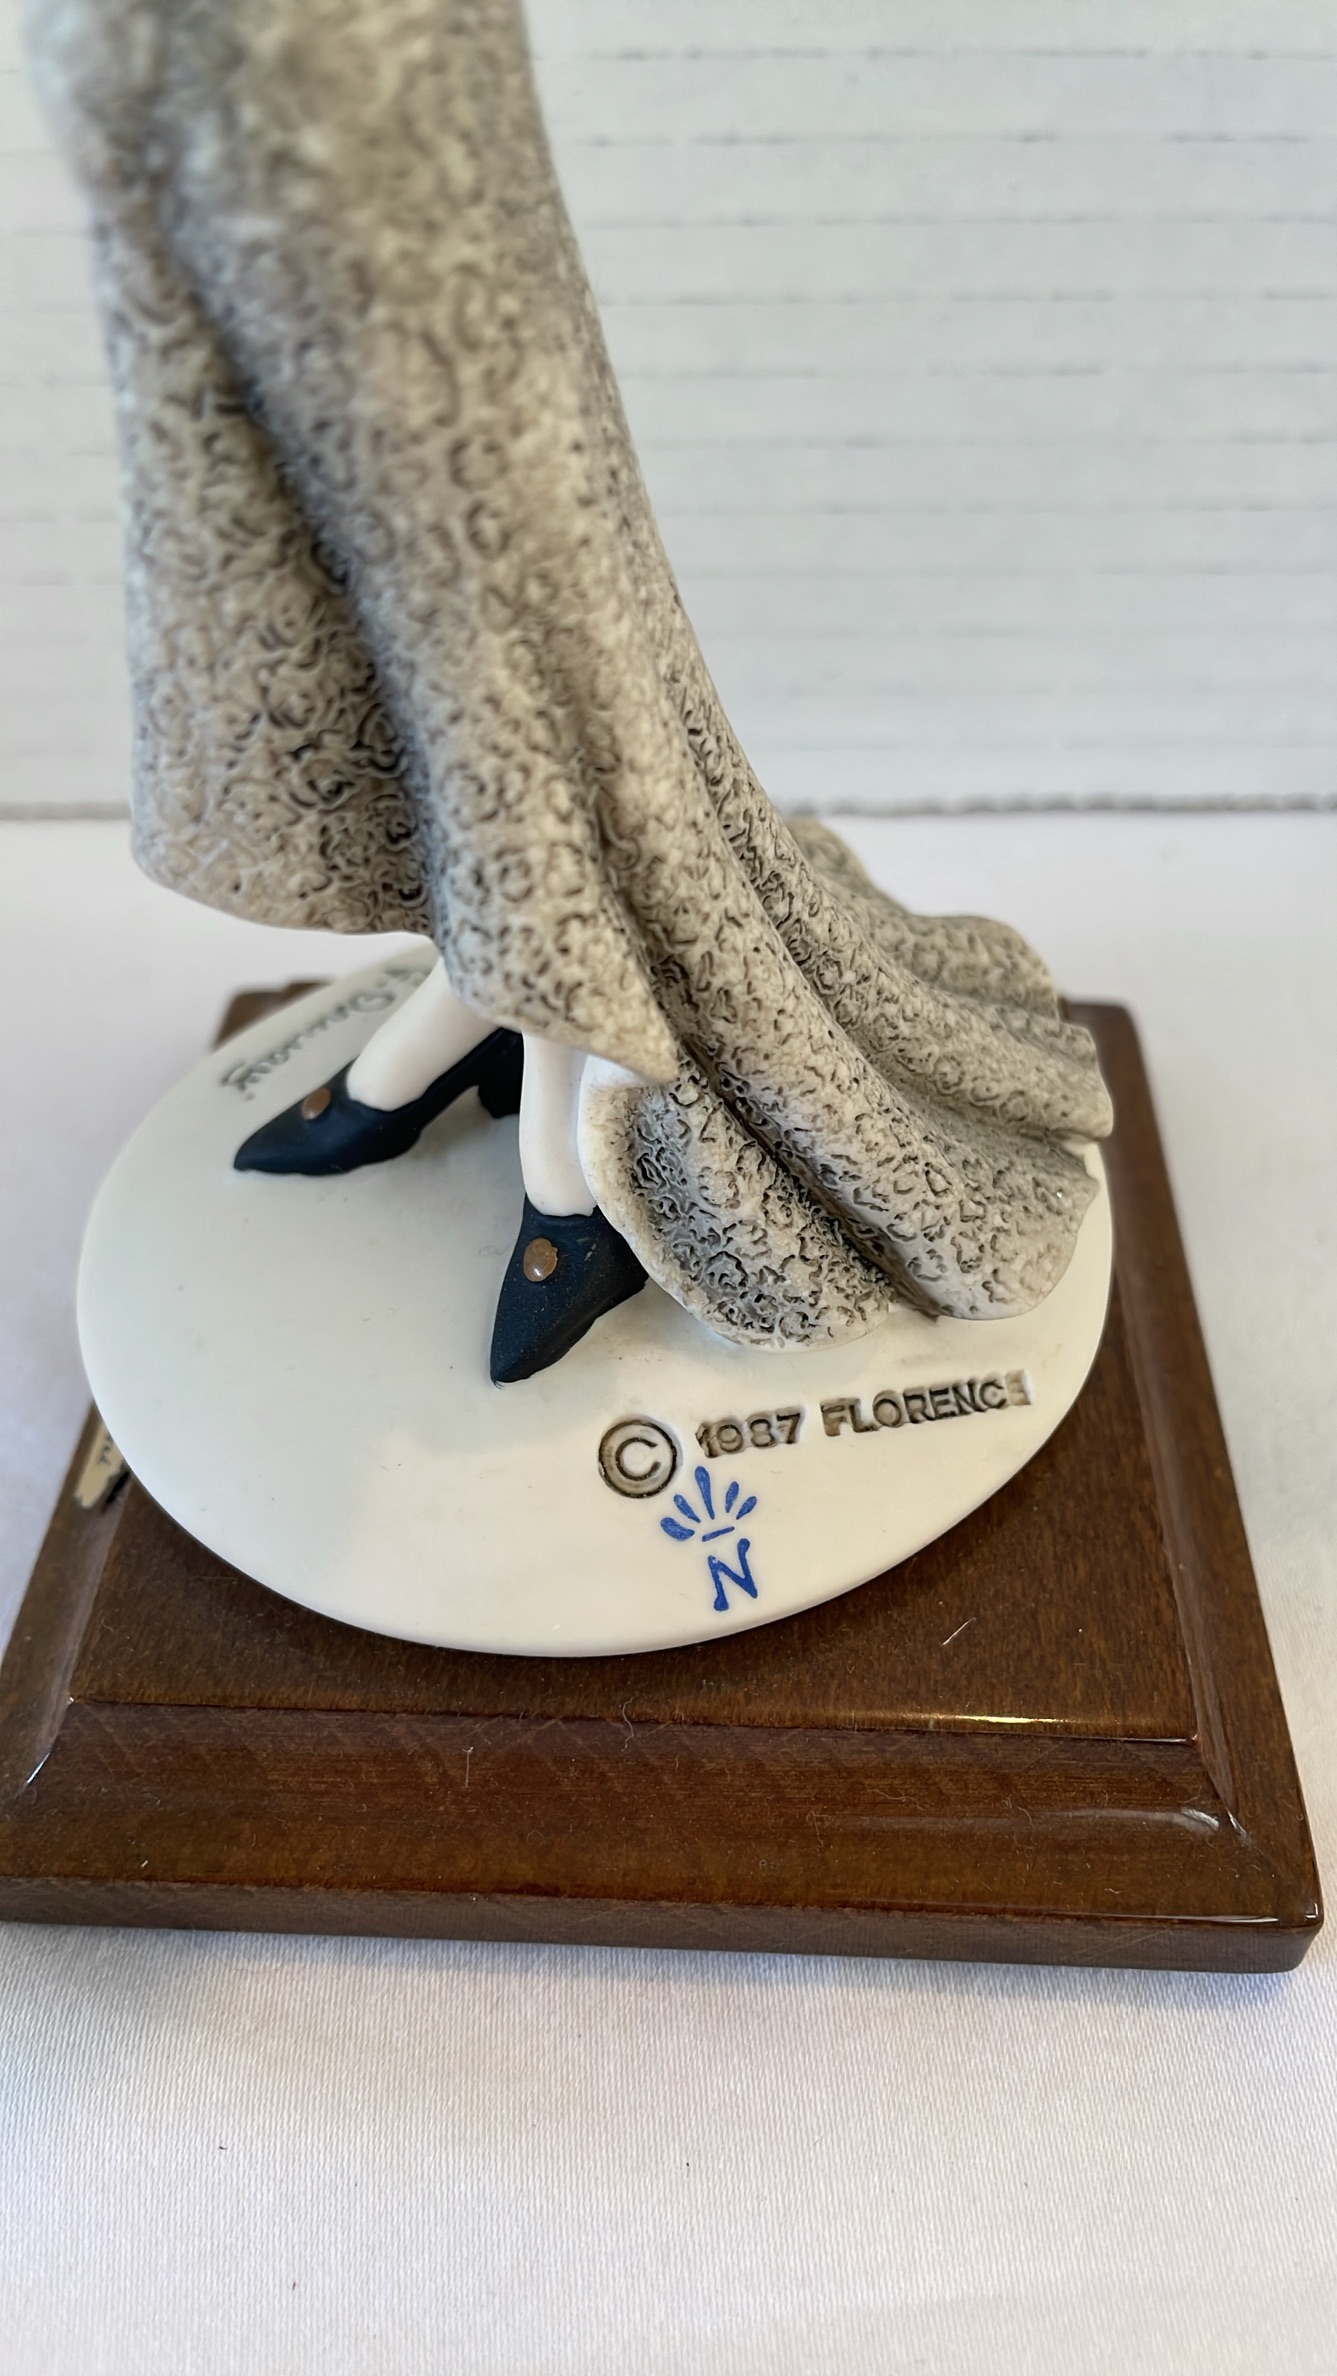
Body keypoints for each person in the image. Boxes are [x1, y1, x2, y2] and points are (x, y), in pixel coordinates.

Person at [31, 0, 1112, 1383]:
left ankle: (551, 1134)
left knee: (492, 626)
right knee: (348, 604)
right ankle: (482, 1008)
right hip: (198, 139)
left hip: (362, 138)